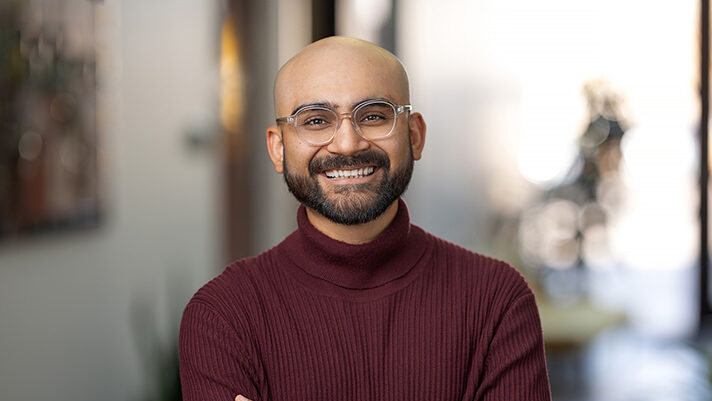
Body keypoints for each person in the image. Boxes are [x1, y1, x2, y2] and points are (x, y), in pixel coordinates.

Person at [179, 36, 551, 401]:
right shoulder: (222, 316)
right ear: (278, 149)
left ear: (415, 135)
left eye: (373, 116)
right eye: (315, 120)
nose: (347, 143)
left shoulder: (497, 301)